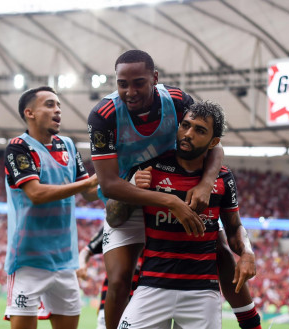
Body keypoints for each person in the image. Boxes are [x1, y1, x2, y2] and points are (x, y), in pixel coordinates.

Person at [88, 49, 260, 329]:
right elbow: (109, 185)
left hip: (177, 185)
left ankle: (251, 322)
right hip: (128, 193)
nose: (130, 91)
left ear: (154, 78)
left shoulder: (178, 101)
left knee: (219, 249)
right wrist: (170, 203)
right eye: (122, 84)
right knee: (119, 279)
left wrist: (205, 183)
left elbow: (215, 146)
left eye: (139, 83)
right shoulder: (103, 115)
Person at [117, 100, 256, 328]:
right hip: (152, 286)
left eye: (199, 130)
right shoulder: (150, 168)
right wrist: (132, 187)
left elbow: (234, 228)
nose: (188, 134)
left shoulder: (223, 179)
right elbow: (114, 217)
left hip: (201, 293)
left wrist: (247, 252)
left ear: (214, 142)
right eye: (185, 125)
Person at [4, 86, 99, 329]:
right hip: (28, 262)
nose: (57, 110)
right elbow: (35, 193)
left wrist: (114, 174)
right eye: (49, 104)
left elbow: (89, 193)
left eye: (58, 105)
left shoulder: (67, 145)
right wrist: (88, 183)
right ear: (30, 113)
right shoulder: (18, 147)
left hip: (66, 263)